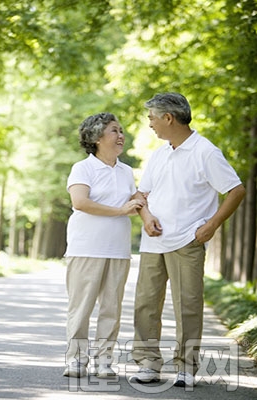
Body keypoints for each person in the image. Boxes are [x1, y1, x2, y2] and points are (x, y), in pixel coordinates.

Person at [129, 92, 246, 387]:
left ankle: (185, 366)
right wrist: (146, 218)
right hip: (154, 241)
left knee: (188, 305)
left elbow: (236, 190)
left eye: (152, 118)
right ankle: (148, 364)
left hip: (187, 240)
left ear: (168, 118)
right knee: (145, 303)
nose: (150, 124)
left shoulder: (205, 151)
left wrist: (211, 226)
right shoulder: (160, 153)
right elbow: (141, 195)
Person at [63, 112, 145, 379]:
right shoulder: (82, 168)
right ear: (97, 138)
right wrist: (121, 211)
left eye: (121, 131)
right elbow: (81, 202)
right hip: (86, 248)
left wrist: (140, 210)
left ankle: (104, 361)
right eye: (114, 131)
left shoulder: (125, 171)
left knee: (111, 309)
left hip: (118, 250)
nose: (121, 136)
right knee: (82, 307)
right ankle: (76, 360)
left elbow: (135, 203)